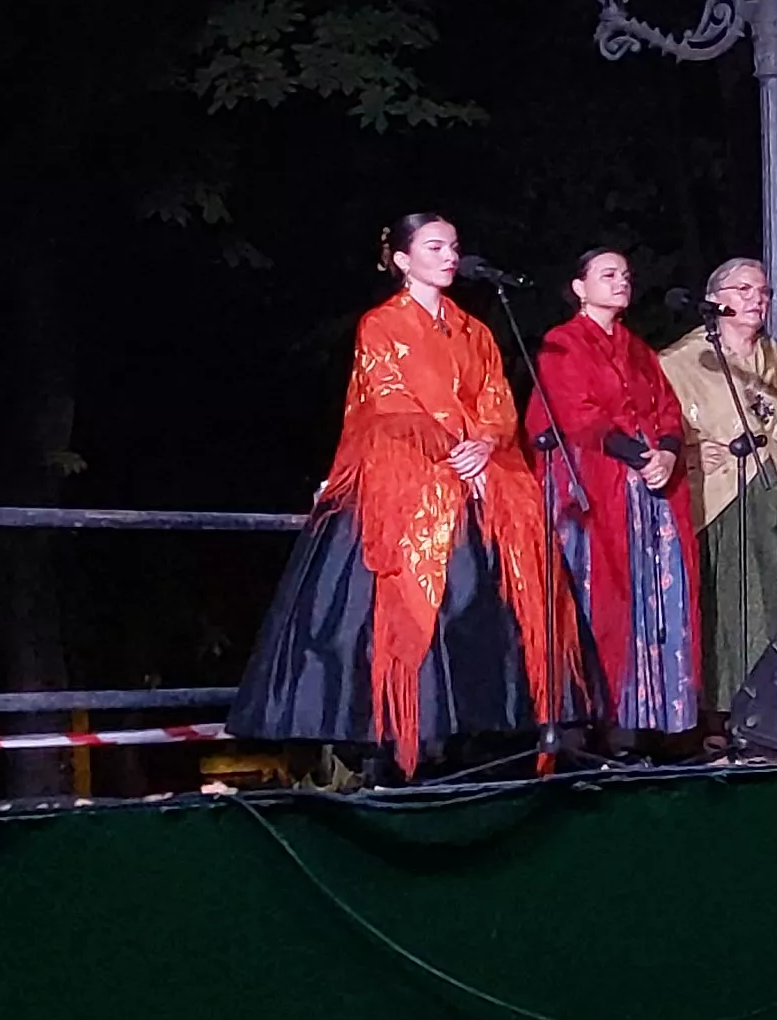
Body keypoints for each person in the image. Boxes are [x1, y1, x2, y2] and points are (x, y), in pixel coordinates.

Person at [235, 213, 582, 773]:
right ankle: (398, 741)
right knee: (396, 603)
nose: (449, 256)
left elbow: (497, 399)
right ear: (402, 259)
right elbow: (388, 401)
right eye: (435, 246)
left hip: (476, 474)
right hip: (409, 473)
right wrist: (452, 445)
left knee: (488, 598)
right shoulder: (381, 324)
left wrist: (486, 443)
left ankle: (486, 731)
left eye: (453, 246)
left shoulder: (476, 329)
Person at [530, 247, 702, 741]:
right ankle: (605, 725)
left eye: (625, 274)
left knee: (656, 600)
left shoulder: (637, 348)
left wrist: (667, 452)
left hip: (648, 491)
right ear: (579, 287)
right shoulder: (562, 343)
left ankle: (655, 723)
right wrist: (640, 455)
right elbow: (576, 413)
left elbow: (669, 409)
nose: (621, 282)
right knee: (604, 601)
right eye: (608, 275)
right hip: (598, 491)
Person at [664, 256, 777, 720]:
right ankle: (727, 710)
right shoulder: (684, 360)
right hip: (722, 499)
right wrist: (691, 456)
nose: (756, 300)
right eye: (744, 290)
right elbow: (660, 426)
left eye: (763, 292)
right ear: (715, 300)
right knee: (734, 604)